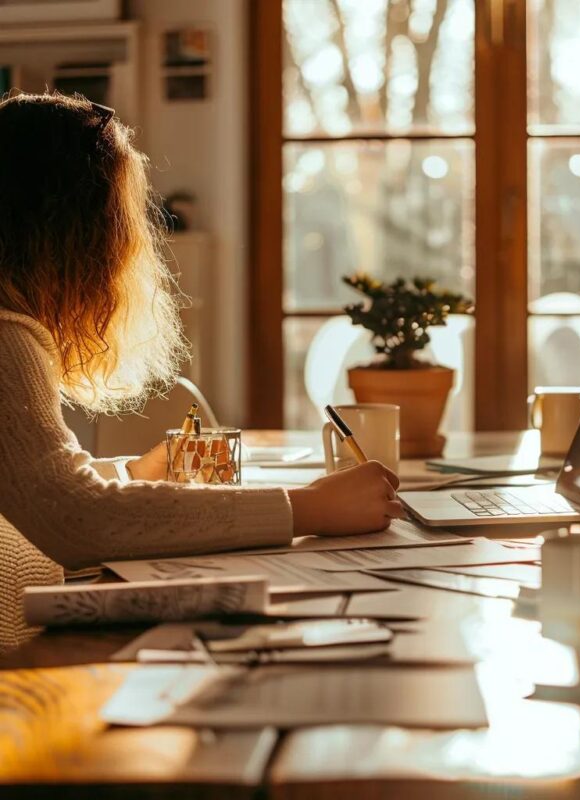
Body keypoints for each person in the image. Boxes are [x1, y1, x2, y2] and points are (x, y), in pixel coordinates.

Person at [0, 92, 403, 647]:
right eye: (121, 219)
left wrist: (132, 478)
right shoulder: (5, 336)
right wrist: (307, 507)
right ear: (71, 229)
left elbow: (28, 489)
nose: (129, 243)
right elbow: (70, 517)